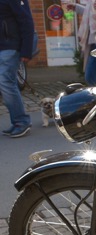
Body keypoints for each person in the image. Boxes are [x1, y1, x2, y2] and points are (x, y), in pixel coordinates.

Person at [0, 0, 35, 138]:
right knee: (7, 83)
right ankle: (17, 121)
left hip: (10, 46)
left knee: (5, 82)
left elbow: (26, 20)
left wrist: (26, 49)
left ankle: (21, 122)